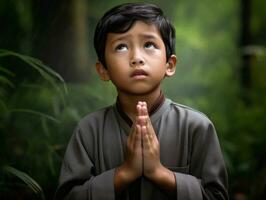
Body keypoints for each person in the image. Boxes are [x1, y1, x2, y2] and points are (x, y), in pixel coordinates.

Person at [54, 3, 228, 200]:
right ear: (103, 70)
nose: (136, 58)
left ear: (169, 65)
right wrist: (124, 173)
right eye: (121, 47)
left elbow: (217, 196)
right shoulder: (88, 130)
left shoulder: (196, 127)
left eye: (149, 45)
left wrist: (159, 173)